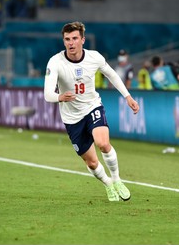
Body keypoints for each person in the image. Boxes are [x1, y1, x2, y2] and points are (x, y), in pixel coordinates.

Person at [44, 21, 140, 202]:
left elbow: (111, 74)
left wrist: (128, 97)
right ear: (63, 41)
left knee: (103, 143)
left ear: (83, 40)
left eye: (74, 38)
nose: (71, 43)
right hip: (72, 118)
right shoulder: (55, 62)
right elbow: (48, 94)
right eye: (67, 39)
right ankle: (108, 185)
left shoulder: (94, 57)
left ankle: (117, 180)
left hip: (92, 106)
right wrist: (59, 97)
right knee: (92, 162)